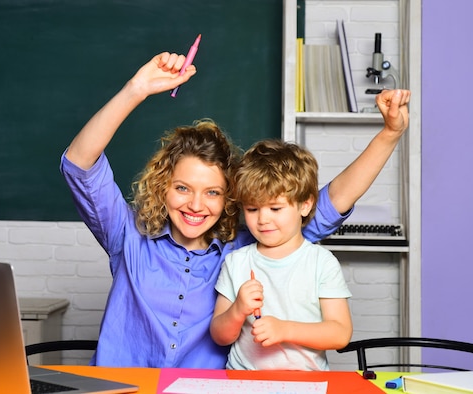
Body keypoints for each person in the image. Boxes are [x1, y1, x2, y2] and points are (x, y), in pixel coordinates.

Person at [60, 51, 411, 368]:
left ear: (231, 198)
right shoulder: (128, 234)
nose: (196, 205)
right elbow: (79, 164)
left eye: (212, 192)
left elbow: (329, 202)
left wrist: (389, 134)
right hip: (124, 388)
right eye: (182, 188)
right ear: (162, 186)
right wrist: (135, 89)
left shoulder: (247, 246)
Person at [210, 139, 352, 371]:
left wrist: (285, 329)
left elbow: (340, 333)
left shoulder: (321, 263)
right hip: (244, 380)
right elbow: (219, 335)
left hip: (305, 383)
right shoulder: (237, 262)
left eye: (275, 208)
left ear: (305, 205)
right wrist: (238, 310)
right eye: (252, 209)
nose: (263, 219)